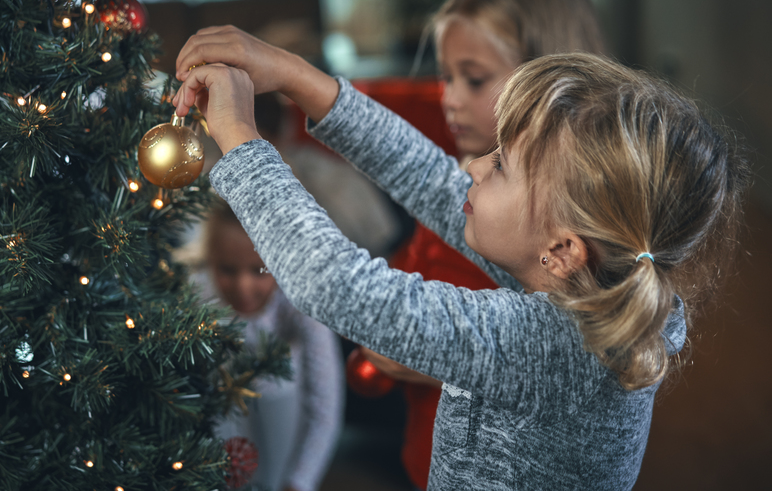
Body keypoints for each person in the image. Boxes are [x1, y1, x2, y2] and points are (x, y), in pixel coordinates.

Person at [170, 27, 748, 490]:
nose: (472, 166)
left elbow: (334, 283)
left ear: (562, 250)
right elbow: (428, 176)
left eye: (500, 165)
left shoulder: (551, 345)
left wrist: (240, 138)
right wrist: (295, 76)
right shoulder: (595, 284)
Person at [369, 0, 606, 488]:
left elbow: (551, 366)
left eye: (472, 79)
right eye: (444, 75)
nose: (447, 98)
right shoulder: (475, 177)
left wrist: (437, 358)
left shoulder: (528, 230)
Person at [197, 201, 344, 491]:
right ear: (211, 259)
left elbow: (325, 408)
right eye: (227, 269)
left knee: (277, 372)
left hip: (283, 446)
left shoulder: (304, 306)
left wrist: (299, 482)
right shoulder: (199, 299)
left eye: (259, 270)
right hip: (219, 440)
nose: (243, 287)